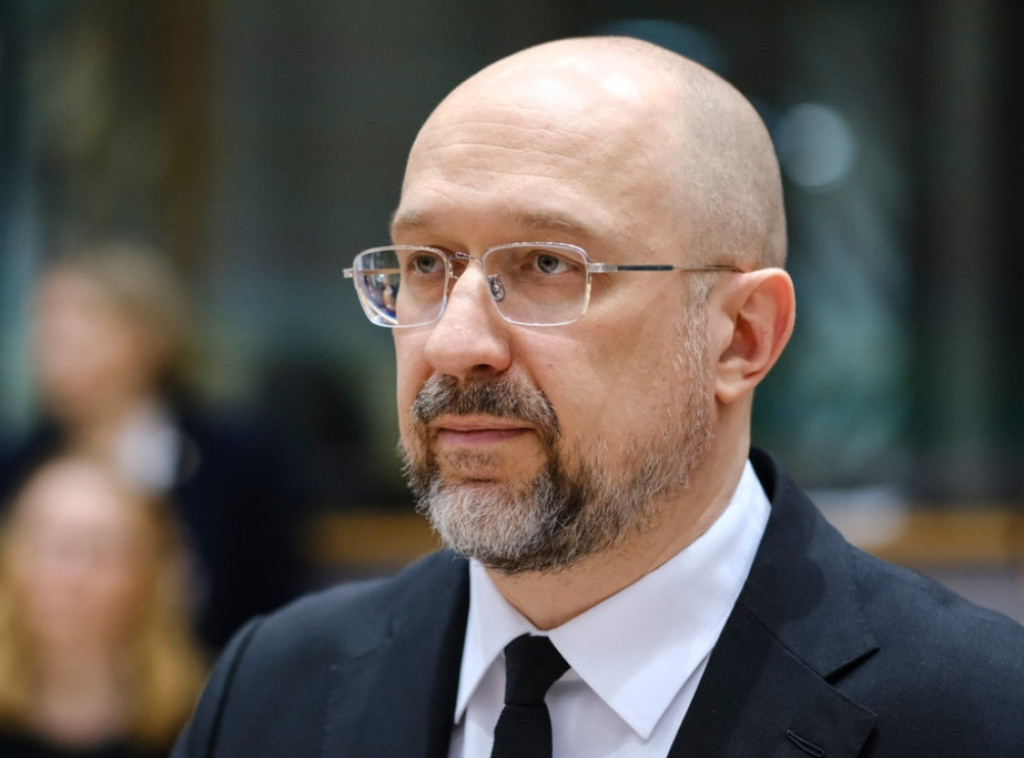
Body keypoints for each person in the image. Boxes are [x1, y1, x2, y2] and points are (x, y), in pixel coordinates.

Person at [173, 36, 1024, 757]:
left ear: (742, 336)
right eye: (426, 264)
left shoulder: (981, 714)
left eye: (548, 265)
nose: (454, 344)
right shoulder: (273, 687)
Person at [0, 242, 307, 649]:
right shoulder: (19, 463)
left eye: (81, 322)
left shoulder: (236, 458)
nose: (53, 345)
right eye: (47, 325)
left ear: (151, 337)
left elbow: (274, 600)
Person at [0, 455, 207, 757]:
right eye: (56, 547)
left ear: (148, 575)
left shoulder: (199, 720)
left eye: (101, 550)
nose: (75, 577)